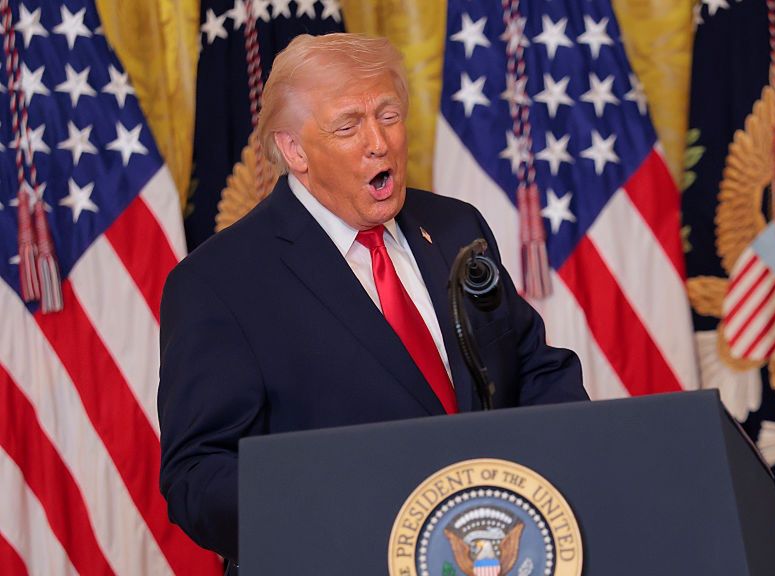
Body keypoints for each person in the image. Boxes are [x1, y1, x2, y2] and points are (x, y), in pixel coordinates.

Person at [157, 33, 587, 565]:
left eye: (388, 115)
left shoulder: (455, 227)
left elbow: (535, 369)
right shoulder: (218, 283)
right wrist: (343, 507)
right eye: (348, 126)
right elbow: (198, 475)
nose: (378, 142)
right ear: (294, 151)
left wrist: (563, 467)